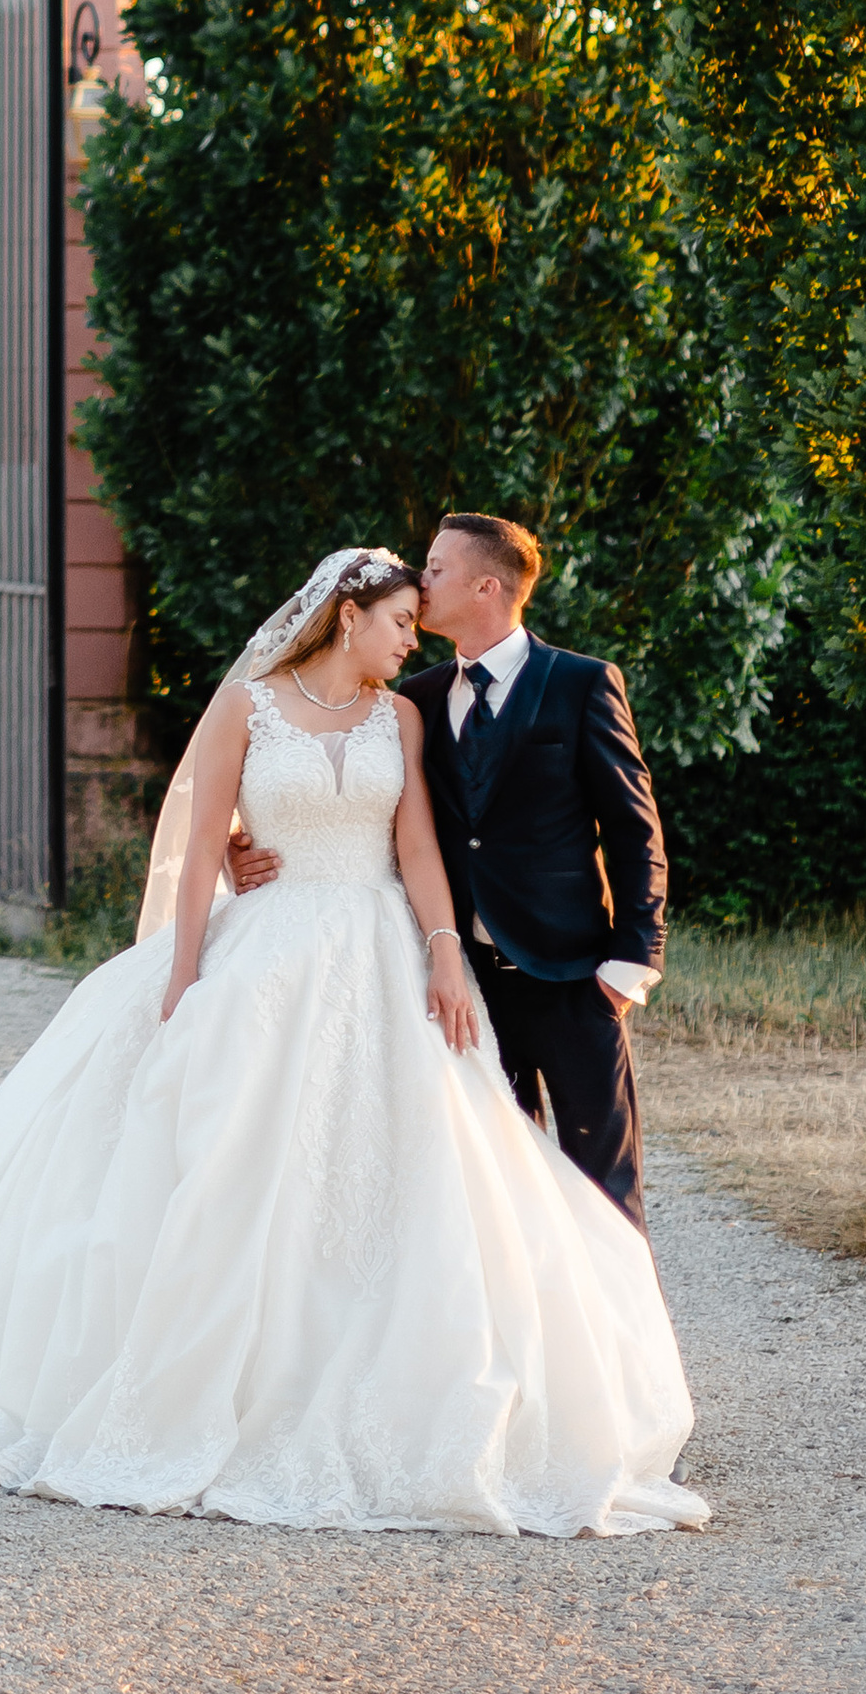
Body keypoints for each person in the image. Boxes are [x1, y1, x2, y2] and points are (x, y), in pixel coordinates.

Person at [0, 547, 706, 1537]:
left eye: (420, 615)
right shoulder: (251, 703)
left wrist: (446, 951)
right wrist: (185, 972)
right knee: (235, 1153)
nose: (412, 635)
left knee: (427, 1165)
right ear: (347, 613)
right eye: (399, 617)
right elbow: (202, 848)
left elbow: (415, 843)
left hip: (380, 948)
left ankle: (559, 1373)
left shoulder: (400, 712)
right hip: (268, 953)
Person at [228, 514, 663, 1224]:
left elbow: (634, 830)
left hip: (573, 980)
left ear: (486, 585)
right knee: (491, 1190)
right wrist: (238, 842)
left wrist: (629, 967)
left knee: (603, 1193)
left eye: (435, 568)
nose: (421, 581)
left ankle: (623, 1338)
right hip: (461, 987)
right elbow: (333, 786)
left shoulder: (581, 684)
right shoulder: (415, 699)